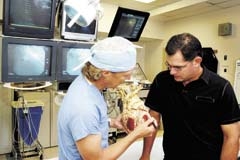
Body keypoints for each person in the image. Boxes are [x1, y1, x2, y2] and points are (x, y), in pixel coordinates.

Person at [139, 33, 240, 160]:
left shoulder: (221, 88)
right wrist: (145, 154)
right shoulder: (162, 80)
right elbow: (153, 118)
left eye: (178, 67)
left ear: (197, 61)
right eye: (169, 65)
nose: (171, 72)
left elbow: (232, 136)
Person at [57, 36, 156, 160]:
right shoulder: (84, 107)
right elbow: (97, 158)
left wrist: (110, 122)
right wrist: (135, 135)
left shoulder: (84, 81)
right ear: (106, 73)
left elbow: (89, 123)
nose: (127, 80)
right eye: (125, 75)